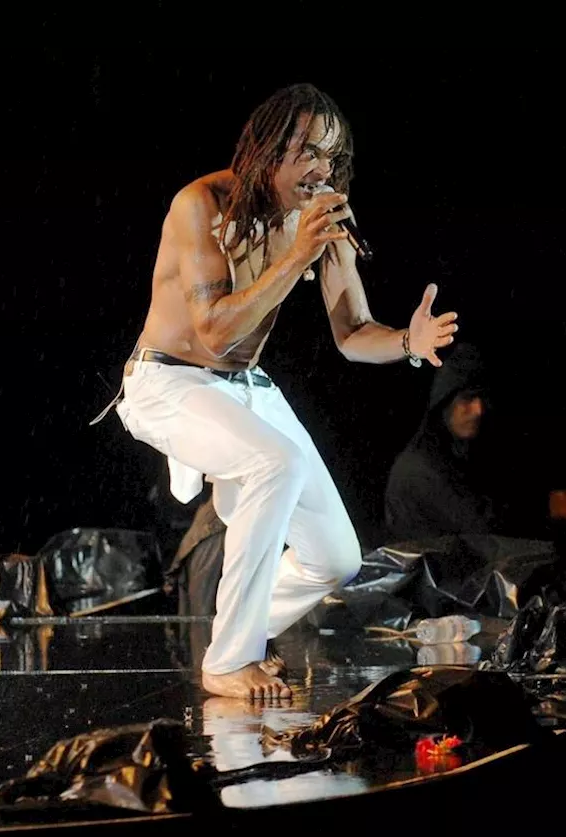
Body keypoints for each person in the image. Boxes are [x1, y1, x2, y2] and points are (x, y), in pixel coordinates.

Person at [96, 83, 458, 700]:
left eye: (332, 157)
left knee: (335, 557)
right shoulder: (202, 204)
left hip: (243, 388)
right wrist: (294, 256)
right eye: (307, 153)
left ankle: (238, 633)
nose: (321, 170)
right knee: (276, 461)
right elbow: (212, 334)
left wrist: (406, 340)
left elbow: (352, 332)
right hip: (167, 381)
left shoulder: (319, 218)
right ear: (267, 149)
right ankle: (229, 661)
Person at [383, 342, 501, 542]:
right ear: (444, 404)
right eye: (467, 399)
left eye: (482, 398)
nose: (478, 410)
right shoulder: (419, 473)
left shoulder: (468, 459)